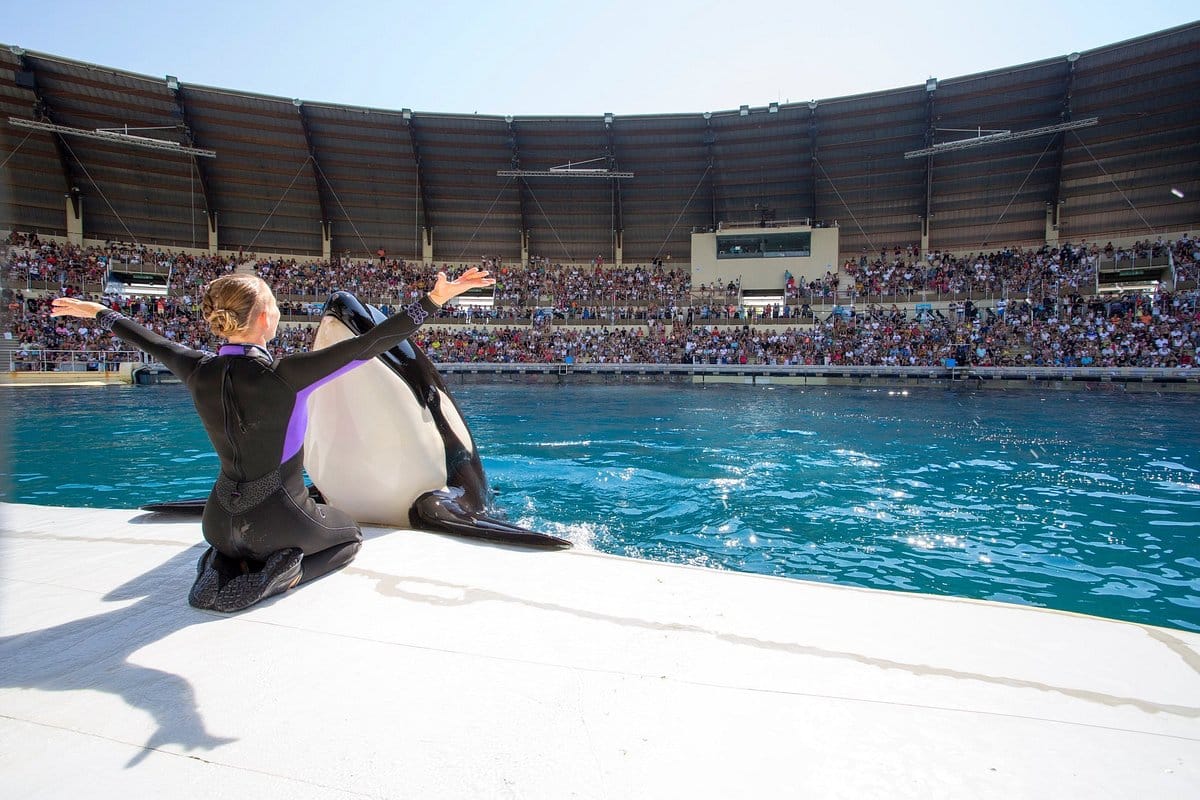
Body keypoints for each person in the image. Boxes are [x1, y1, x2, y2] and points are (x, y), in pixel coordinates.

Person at [51, 267, 494, 612]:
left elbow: (148, 340)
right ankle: (284, 574)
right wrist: (435, 298)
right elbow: (373, 343)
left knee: (249, 528)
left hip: (217, 522)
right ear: (266, 318)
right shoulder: (287, 375)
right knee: (348, 535)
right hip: (278, 523)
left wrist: (98, 312)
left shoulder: (195, 368)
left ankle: (222, 564)